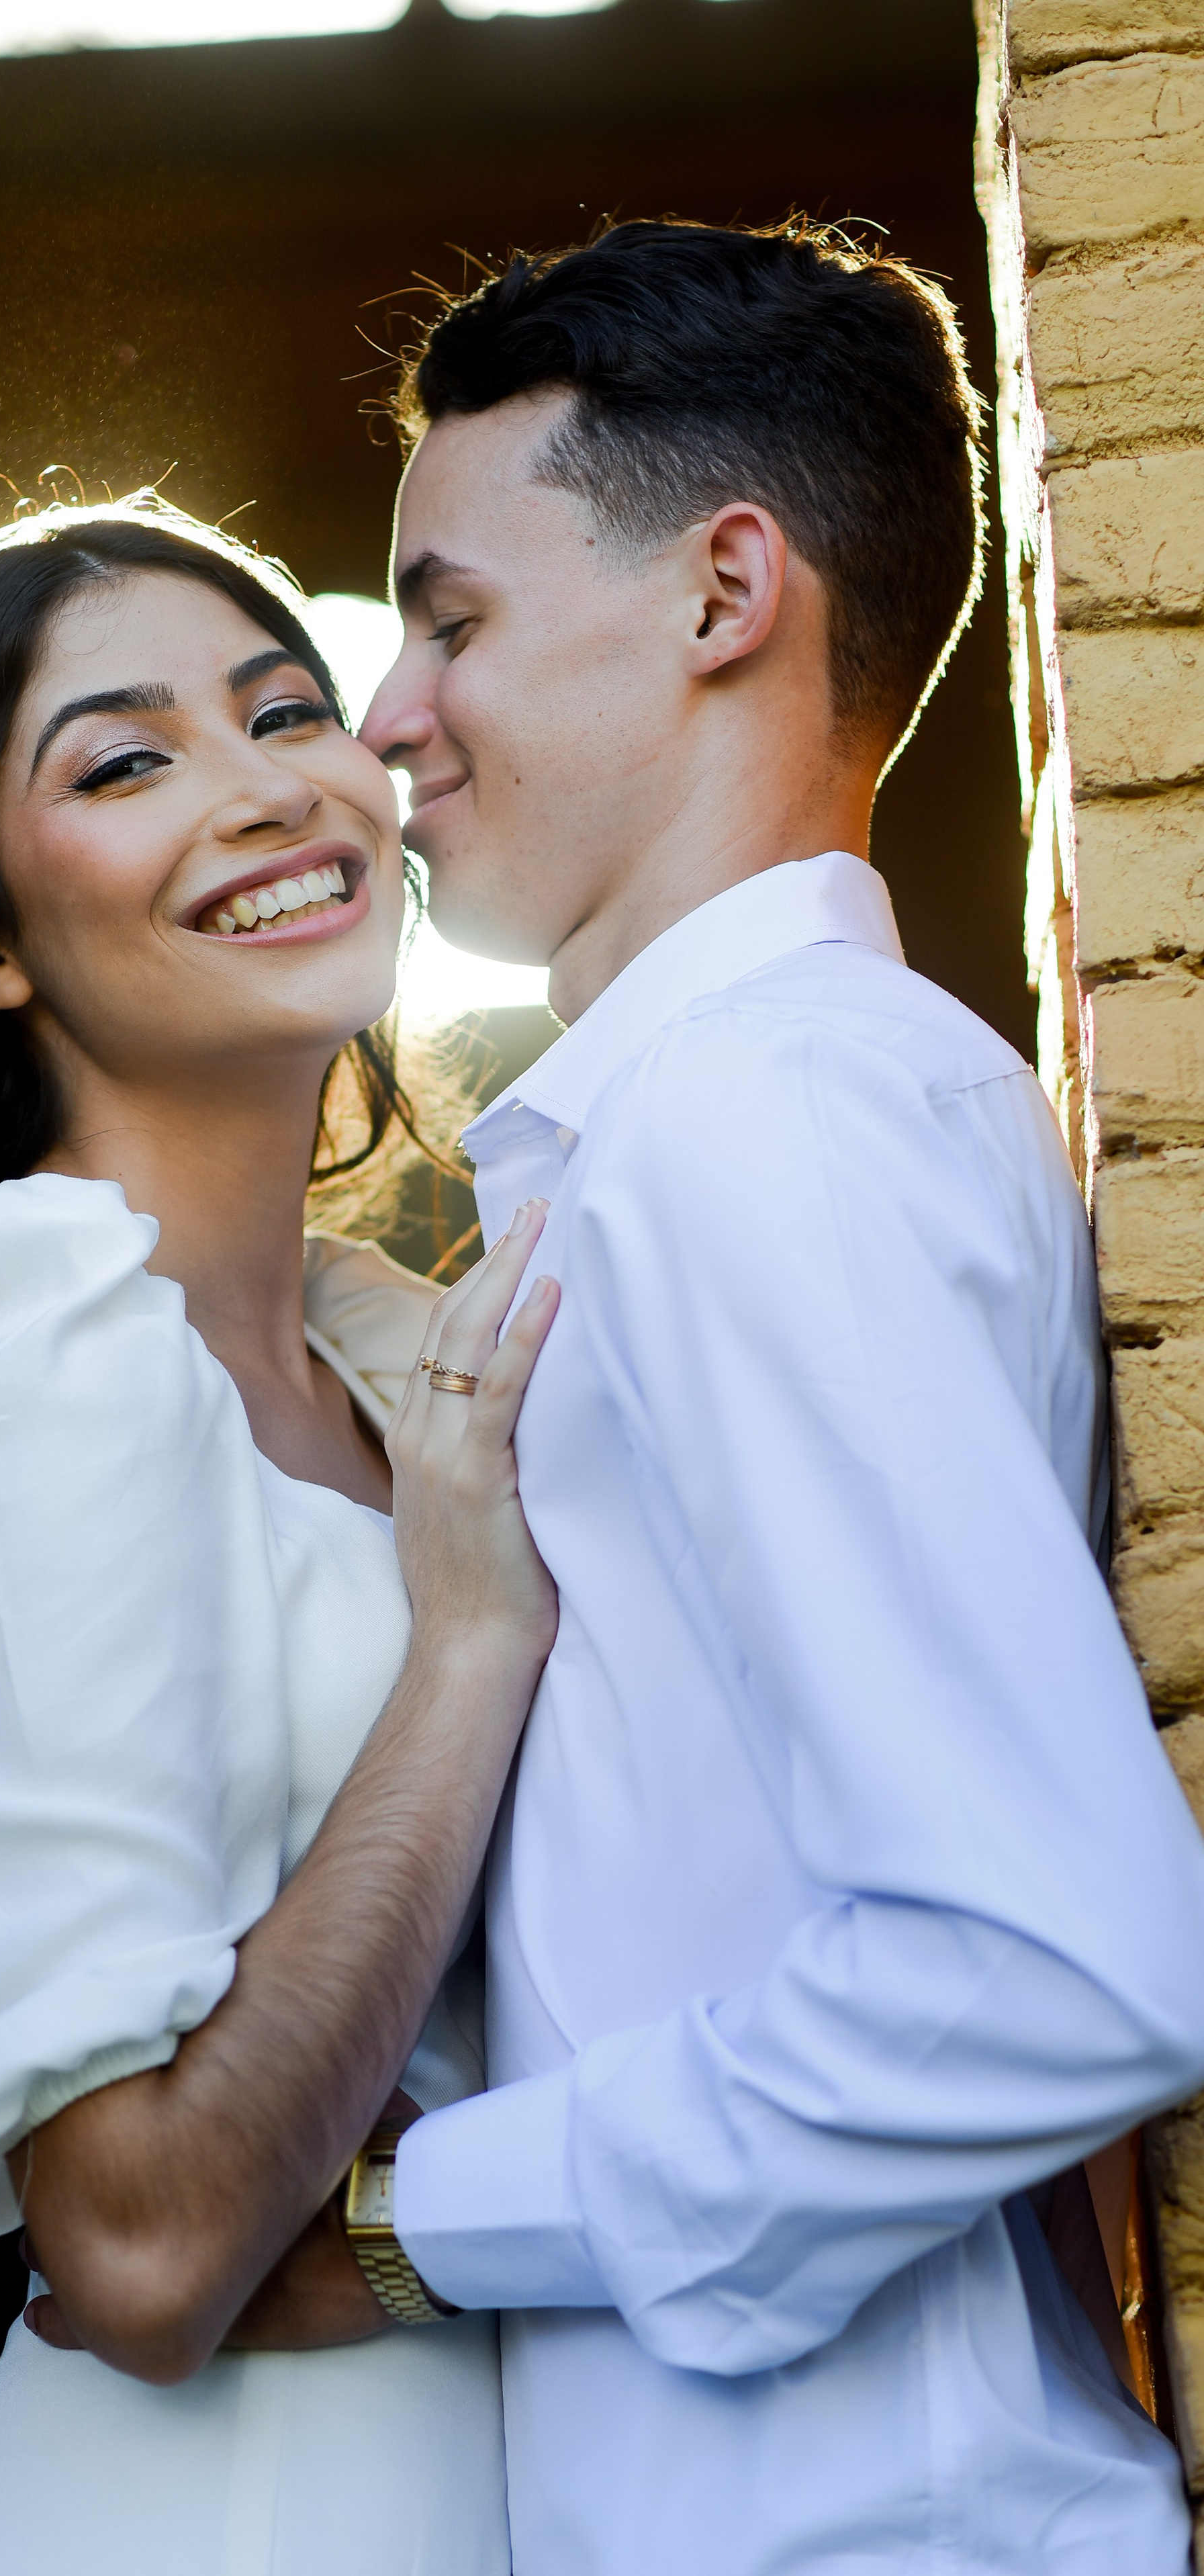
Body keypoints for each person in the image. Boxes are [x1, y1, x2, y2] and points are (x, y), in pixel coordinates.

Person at [344, 217, 1204, 2572]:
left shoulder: (762, 1127)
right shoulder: (723, 1122)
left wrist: (423, 2212)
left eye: (452, 615)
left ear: (727, 591)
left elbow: (1053, 1957)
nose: (388, 714)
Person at [0, 494, 565, 2576]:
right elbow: (145, 2238)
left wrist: (482, 2222)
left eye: (283, 709)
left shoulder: (414, 1355)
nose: (263, 789)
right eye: (127, 760)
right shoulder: (2, 1340)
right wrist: (468, 1652)